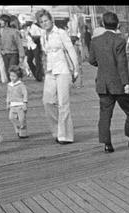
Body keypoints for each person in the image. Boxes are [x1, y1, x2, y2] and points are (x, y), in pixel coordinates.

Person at [89, 12, 129, 154]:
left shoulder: (95, 41)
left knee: (105, 114)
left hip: (103, 83)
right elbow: (122, 63)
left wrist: (103, 65)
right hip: (118, 84)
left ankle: (107, 144)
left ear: (103, 24)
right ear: (117, 24)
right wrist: (126, 83)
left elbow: (91, 60)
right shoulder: (119, 41)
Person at [36, 9, 79, 144]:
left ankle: (65, 135)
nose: (44, 23)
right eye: (41, 22)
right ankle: (56, 131)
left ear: (51, 20)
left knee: (63, 103)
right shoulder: (43, 35)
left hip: (63, 69)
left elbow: (71, 50)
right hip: (50, 70)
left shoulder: (60, 33)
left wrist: (76, 70)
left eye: (46, 20)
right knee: (47, 101)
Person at [5, 65, 28, 139]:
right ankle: (18, 128)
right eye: (11, 76)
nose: (12, 78)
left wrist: (25, 103)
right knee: (11, 117)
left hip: (20, 105)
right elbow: (8, 94)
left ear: (18, 77)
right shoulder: (9, 85)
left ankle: (23, 133)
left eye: (14, 76)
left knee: (22, 119)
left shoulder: (21, 85)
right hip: (12, 105)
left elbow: (25, 94)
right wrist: (8, 103)